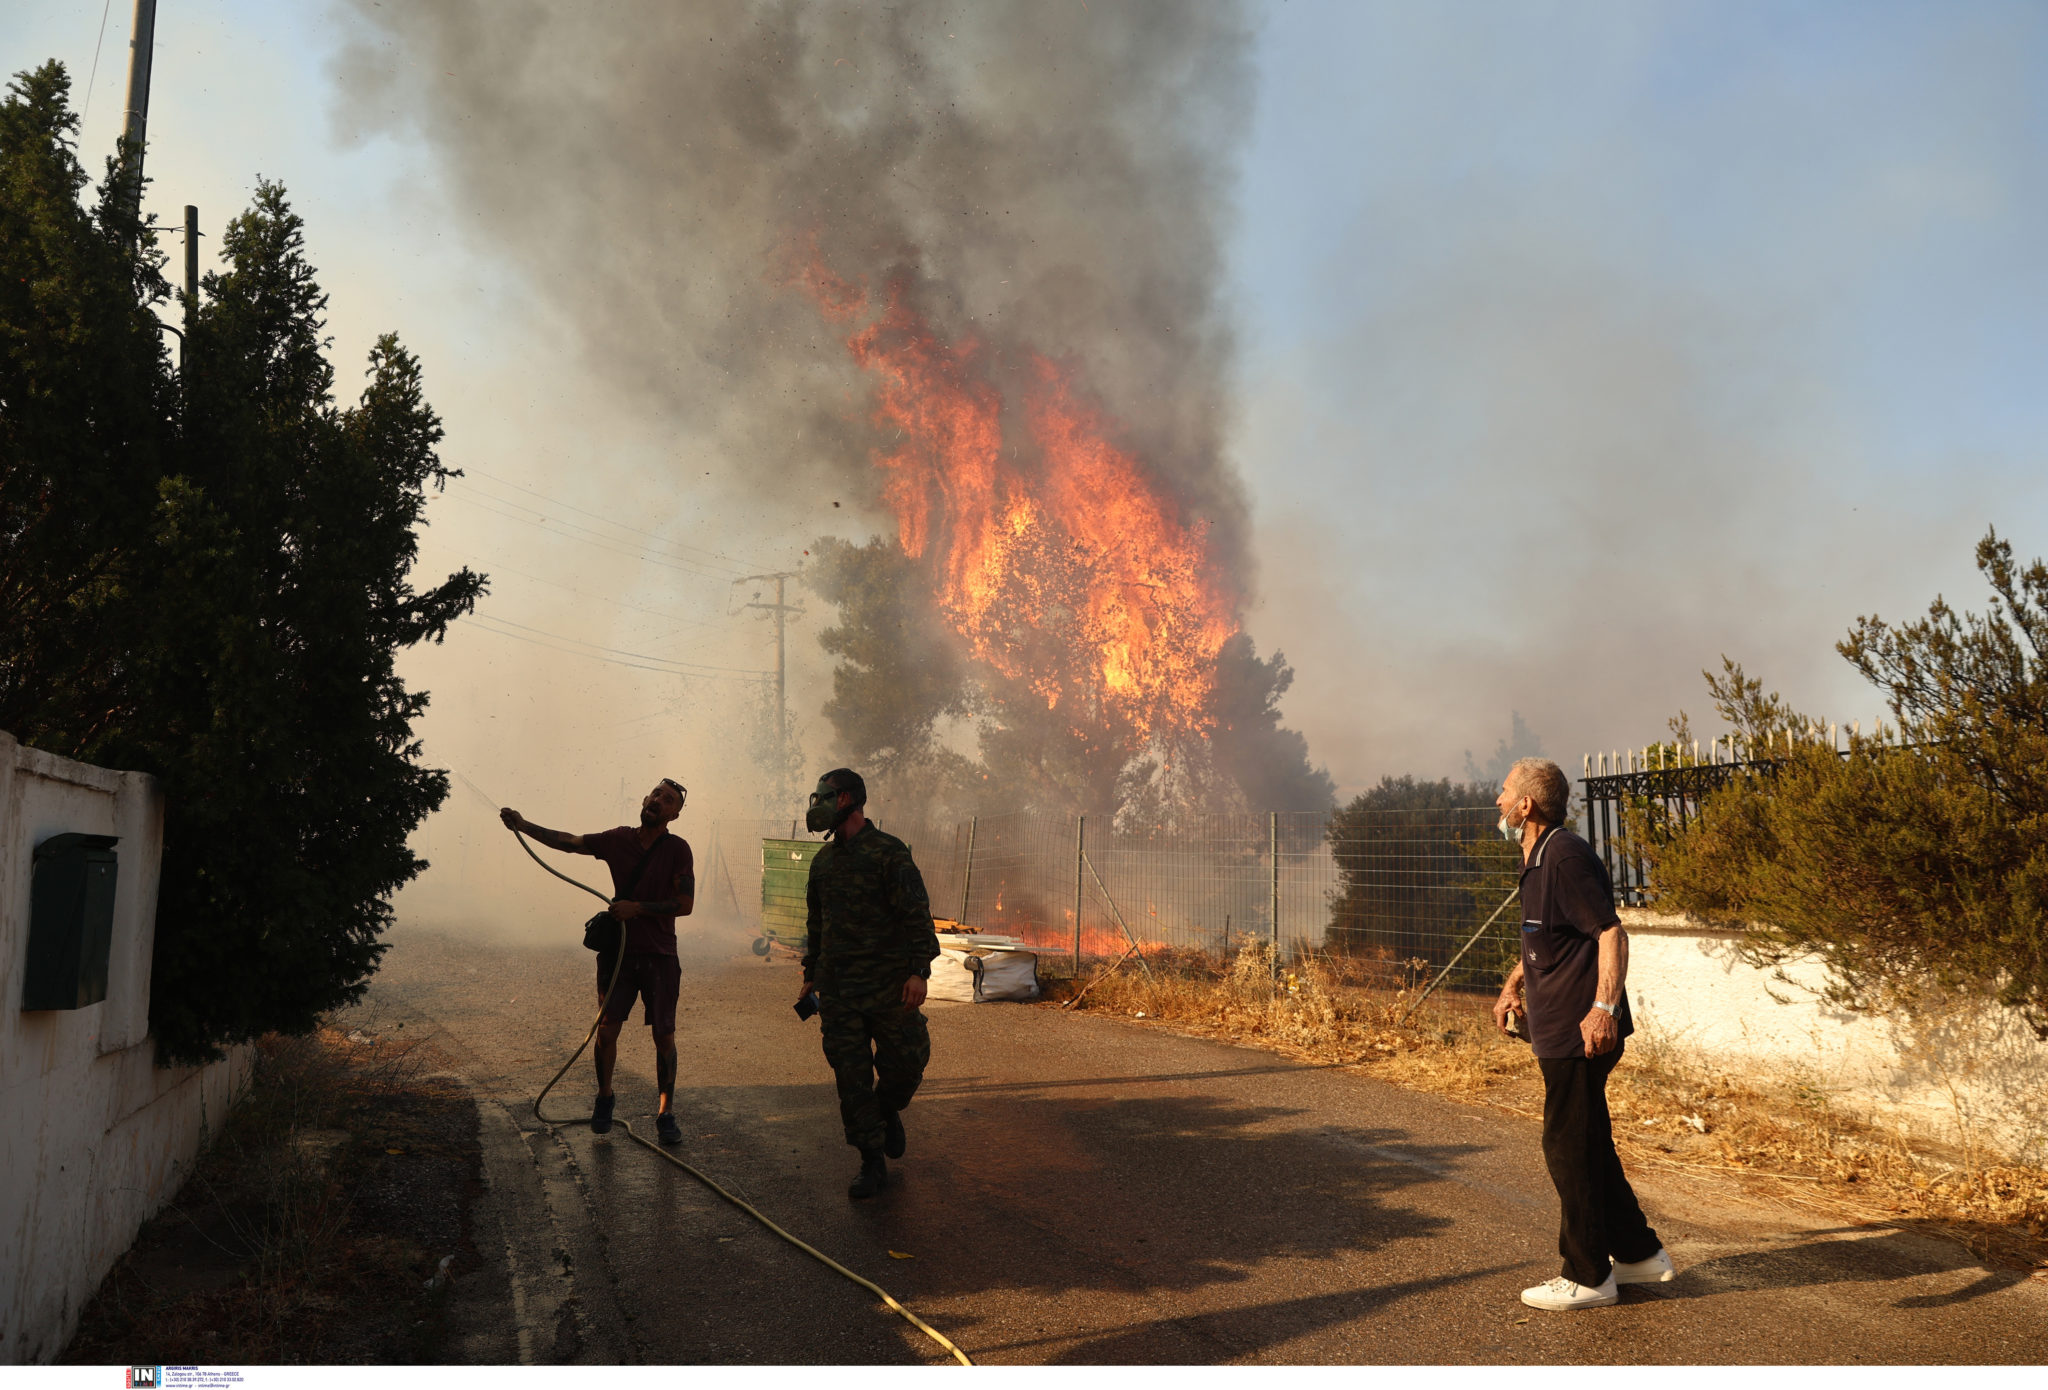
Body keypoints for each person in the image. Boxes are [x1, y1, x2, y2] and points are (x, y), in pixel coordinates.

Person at [1490, 756, 1675, 1310]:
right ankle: (1639, 1254)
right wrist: (1513, 984)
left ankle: (1588, 1274)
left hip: (1580, 1034)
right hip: (1560, 1031)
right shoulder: (1537, 858)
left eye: (1503, 794)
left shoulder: (1563, 857)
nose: (1497, 803)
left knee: (1567, 1147)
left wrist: (1603, 1008)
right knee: (1589, 1142)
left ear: (1526, 805)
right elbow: (1549, 939)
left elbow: (1610, 934)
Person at [501, 779, 695, 1144]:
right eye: (655, 793)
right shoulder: (618, 840)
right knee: (606, 1031)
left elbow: (685, 905)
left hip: (660, 957)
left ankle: (665, 1113)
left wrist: (637, 908)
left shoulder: (678, 850)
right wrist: (524, 825)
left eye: (667, 800)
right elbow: (571, 842)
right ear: (644, 799)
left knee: (663, 1036)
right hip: (618, 954)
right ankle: (605, 1098)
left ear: (675, 814)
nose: (658, 800)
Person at [796, 768, 941, 1199]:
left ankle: (888, 1109)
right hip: (839, 992)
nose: (817, 804)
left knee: (906, 1065)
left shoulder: (888, 853)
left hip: (890, 988)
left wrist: (919, 971)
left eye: (825, 797)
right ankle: (871, 1161)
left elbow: (917, 915)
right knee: (851, 1078)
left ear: (848, 800)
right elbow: (816, 927)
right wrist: (810, 976)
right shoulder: (822, 863)